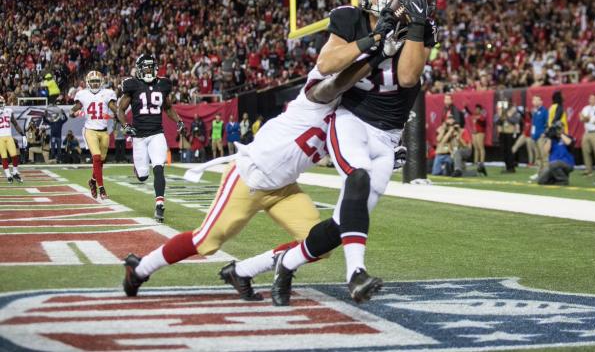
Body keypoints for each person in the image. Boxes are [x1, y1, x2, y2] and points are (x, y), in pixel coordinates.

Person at [121, 36, 376, 300]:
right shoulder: (319, 88)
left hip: (285, 188)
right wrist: (374, 55)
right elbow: (334, 84)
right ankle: (140, 268)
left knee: (319, 244)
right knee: (206, 241)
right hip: (250, 177)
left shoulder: (351, 116)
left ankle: (243, 270)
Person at [271, 0, 436, 305]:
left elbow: (407, 78)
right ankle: (356, 275)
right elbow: (328, 63)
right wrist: (375, 39)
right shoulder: (349, 18)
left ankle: (275, 265)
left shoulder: (418, 25)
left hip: (388, 136)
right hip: (351, 119)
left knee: (339, 225)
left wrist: (416, 25)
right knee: (356, 179)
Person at [117, 54, 185, 222]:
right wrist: (126, 126)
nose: (148, 70)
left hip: (157, 133)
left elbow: (168, 107)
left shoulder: (163, 84)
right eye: (145, 67)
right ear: (139, 69)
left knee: (159, 167)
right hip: (139, 136)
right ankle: (138, 169)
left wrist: (178, 120)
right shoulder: (132, 85)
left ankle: (160, 204)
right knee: (142, 176)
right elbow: (120, 110)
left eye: (150, 67)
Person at [70, 71, 118, 200]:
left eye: (97, 81)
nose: (95, 84)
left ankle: (92, 181)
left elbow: (113, 106)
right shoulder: (83, 94)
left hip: (104, 131)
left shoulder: (107, 93)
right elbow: (78, 106)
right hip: (90, 130)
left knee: (101, 161)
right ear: (88, 83)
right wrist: (73, 111)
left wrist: (118, 113)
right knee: (96, 158)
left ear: (101, 82)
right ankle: (101, 188)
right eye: (93, 82)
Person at [537, 121, 575, 186]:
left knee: (554, 164)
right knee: (541, 180)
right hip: (552, 165)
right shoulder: (552, 139)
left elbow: (569, 143)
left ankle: (563, 180)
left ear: (563, 128)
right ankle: (556, 179)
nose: (557, 130)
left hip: (567, 163)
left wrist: (560, 134)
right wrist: (549, 137)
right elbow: (546, 151)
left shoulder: (567, 137)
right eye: (556, 128)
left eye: (559, 128)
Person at [0, 96, 25, 183]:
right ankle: (8, 175)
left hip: (9, 136)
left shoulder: (9, 111)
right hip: (0, 138)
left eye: (1, 103)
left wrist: (22, 134)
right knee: (4, 157)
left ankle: (14, 172)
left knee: (14, 155)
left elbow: (15, 123)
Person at [494, 100, 520, 173]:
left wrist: (507, 116)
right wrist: (501, 116)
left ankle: (511, 167)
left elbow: (515, 121)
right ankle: (507, 166)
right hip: (503, 133)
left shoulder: (514, 114)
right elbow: (497, 122)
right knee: (504, 151)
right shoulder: (500, 114)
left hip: (510, 133)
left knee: (509, 151)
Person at [579, 94, 595, 176]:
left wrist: (585, 117)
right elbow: (582, 119)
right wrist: (584, 118)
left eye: (593, 98)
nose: (591, 100)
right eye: (590, 98)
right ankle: (588, 169)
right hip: (587, 132)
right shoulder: (585, 108)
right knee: (585, 151)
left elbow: (587, 119)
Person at [530, 95, 548, 180]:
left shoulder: (544, 111)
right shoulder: (534, 111)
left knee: (544, 156)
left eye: (536, 100)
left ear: (541, 102)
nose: (534, 102)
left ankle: (546, 174)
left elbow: (547, 123)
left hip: (541, 137)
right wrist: (532, 135)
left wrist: (544, 133)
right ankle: (539, 173)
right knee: (538, 156)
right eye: (533, 100)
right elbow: (534, 124)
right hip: (535, 137)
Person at [471, 104, 487, 176]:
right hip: (474, 132)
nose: (476, 110)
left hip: (480, 132)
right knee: (476, 147)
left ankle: (481, 162)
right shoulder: (474, 115)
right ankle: (475, 161)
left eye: (478, 109)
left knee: (481, 147)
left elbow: (483, 122)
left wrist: (478, 119)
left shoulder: (482, 116)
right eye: (476, 109)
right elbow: (469, 113)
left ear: (480, 110)